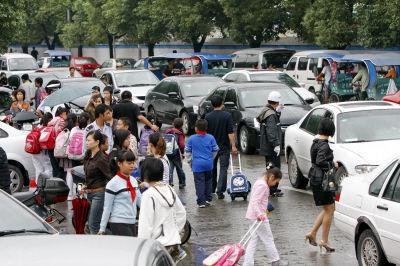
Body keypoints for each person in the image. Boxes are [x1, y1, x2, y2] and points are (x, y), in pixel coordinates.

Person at [138, 157, 187, 262]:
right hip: (174, 244)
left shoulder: (148, 195)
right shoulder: (169, 189)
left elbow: (145, 224)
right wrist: (174, 231)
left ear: (145, 174)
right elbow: (181, 213)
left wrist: (142, 247)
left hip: (157, 246)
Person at [306, 118, 337, 253]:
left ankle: (313, 233)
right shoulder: (324, 145)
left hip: (315, 178)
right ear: (331, 130)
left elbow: (317, 159)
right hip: (321, 180)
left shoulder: (316, 142)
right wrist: (332, 164)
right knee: (330, 209)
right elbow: (320, 161)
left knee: (328, 209)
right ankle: (324, 240)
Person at [242, 167, 285, 266]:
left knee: (253, 240)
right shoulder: (263, 185)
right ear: (271, 177)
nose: (275, 184)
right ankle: (275, 261)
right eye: (276, 182)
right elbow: (254, 201)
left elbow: (255, 200)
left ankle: (247, 263)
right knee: (268, 239)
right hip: (259, 217)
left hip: (253, 215)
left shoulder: (260, 182)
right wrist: (259, 214)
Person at [98, 150, 141, 236]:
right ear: (119, 164)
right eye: (129, 163)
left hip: (132, 221)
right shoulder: (112, 183)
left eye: (133, 163)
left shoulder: (133, 181)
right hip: (118, 222)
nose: (132, 166)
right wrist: (102, 229)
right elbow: (107, 208)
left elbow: (140, 201)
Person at [205, 95, 237, 199]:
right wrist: (233, 146)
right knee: (223, 168)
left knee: (212, 168)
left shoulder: (208, 116)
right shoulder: (227, 116)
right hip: (224, 147)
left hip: (211, 147)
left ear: (212, 104)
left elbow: (205, 133)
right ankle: (220, 190)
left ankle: (212, 188)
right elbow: (230, 132)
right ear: (222, 104)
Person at [185, 119, 219, 208]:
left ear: (196, 128)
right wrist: (211, 158)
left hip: (197, 165)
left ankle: (201, 202)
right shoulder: (211, 137)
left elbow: (187, 152)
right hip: (208, 164)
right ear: (206, 128)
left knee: (199, 183)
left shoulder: (192, 138)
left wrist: (189, 162)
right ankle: (208, 198)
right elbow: (215, 149)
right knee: (208, 181)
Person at [83, 130, 112, 234]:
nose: (86, 142)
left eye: (89, 140)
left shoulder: (101, 158)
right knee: (91, 224)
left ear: (97, 142)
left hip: (99, 194)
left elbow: (110, 176)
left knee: (93, 225)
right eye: (86, 140)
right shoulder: (88, 155)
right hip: (89, 193)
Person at [256, 91, 283, 197]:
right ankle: (272, 189)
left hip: (267, 146)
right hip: (271, 147)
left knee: (269, 167)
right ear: (276, 102)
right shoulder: (271, 115)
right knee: (274, 168)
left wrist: (278, 113)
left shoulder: (267, 111)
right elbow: (271, 132)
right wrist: (276, 144)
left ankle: (271, 188)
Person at [31, 113, 53, 183]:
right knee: (48, 169)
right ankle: (48, 185)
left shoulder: (37, 127)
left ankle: (38, 186)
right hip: (41, 152)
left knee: (38, 169)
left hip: (33, 151)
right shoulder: (46, 129)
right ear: (49, 120)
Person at [165, 118, 186, 189]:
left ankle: (170, 182)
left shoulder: (168, 131)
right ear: (182, 125)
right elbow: (182, 145)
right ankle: (181, 183)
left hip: (168, 153)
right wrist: (182, 153)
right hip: (177, 154)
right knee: (179, 168)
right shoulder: (179, 133)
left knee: (170, 168)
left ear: (173, 124)